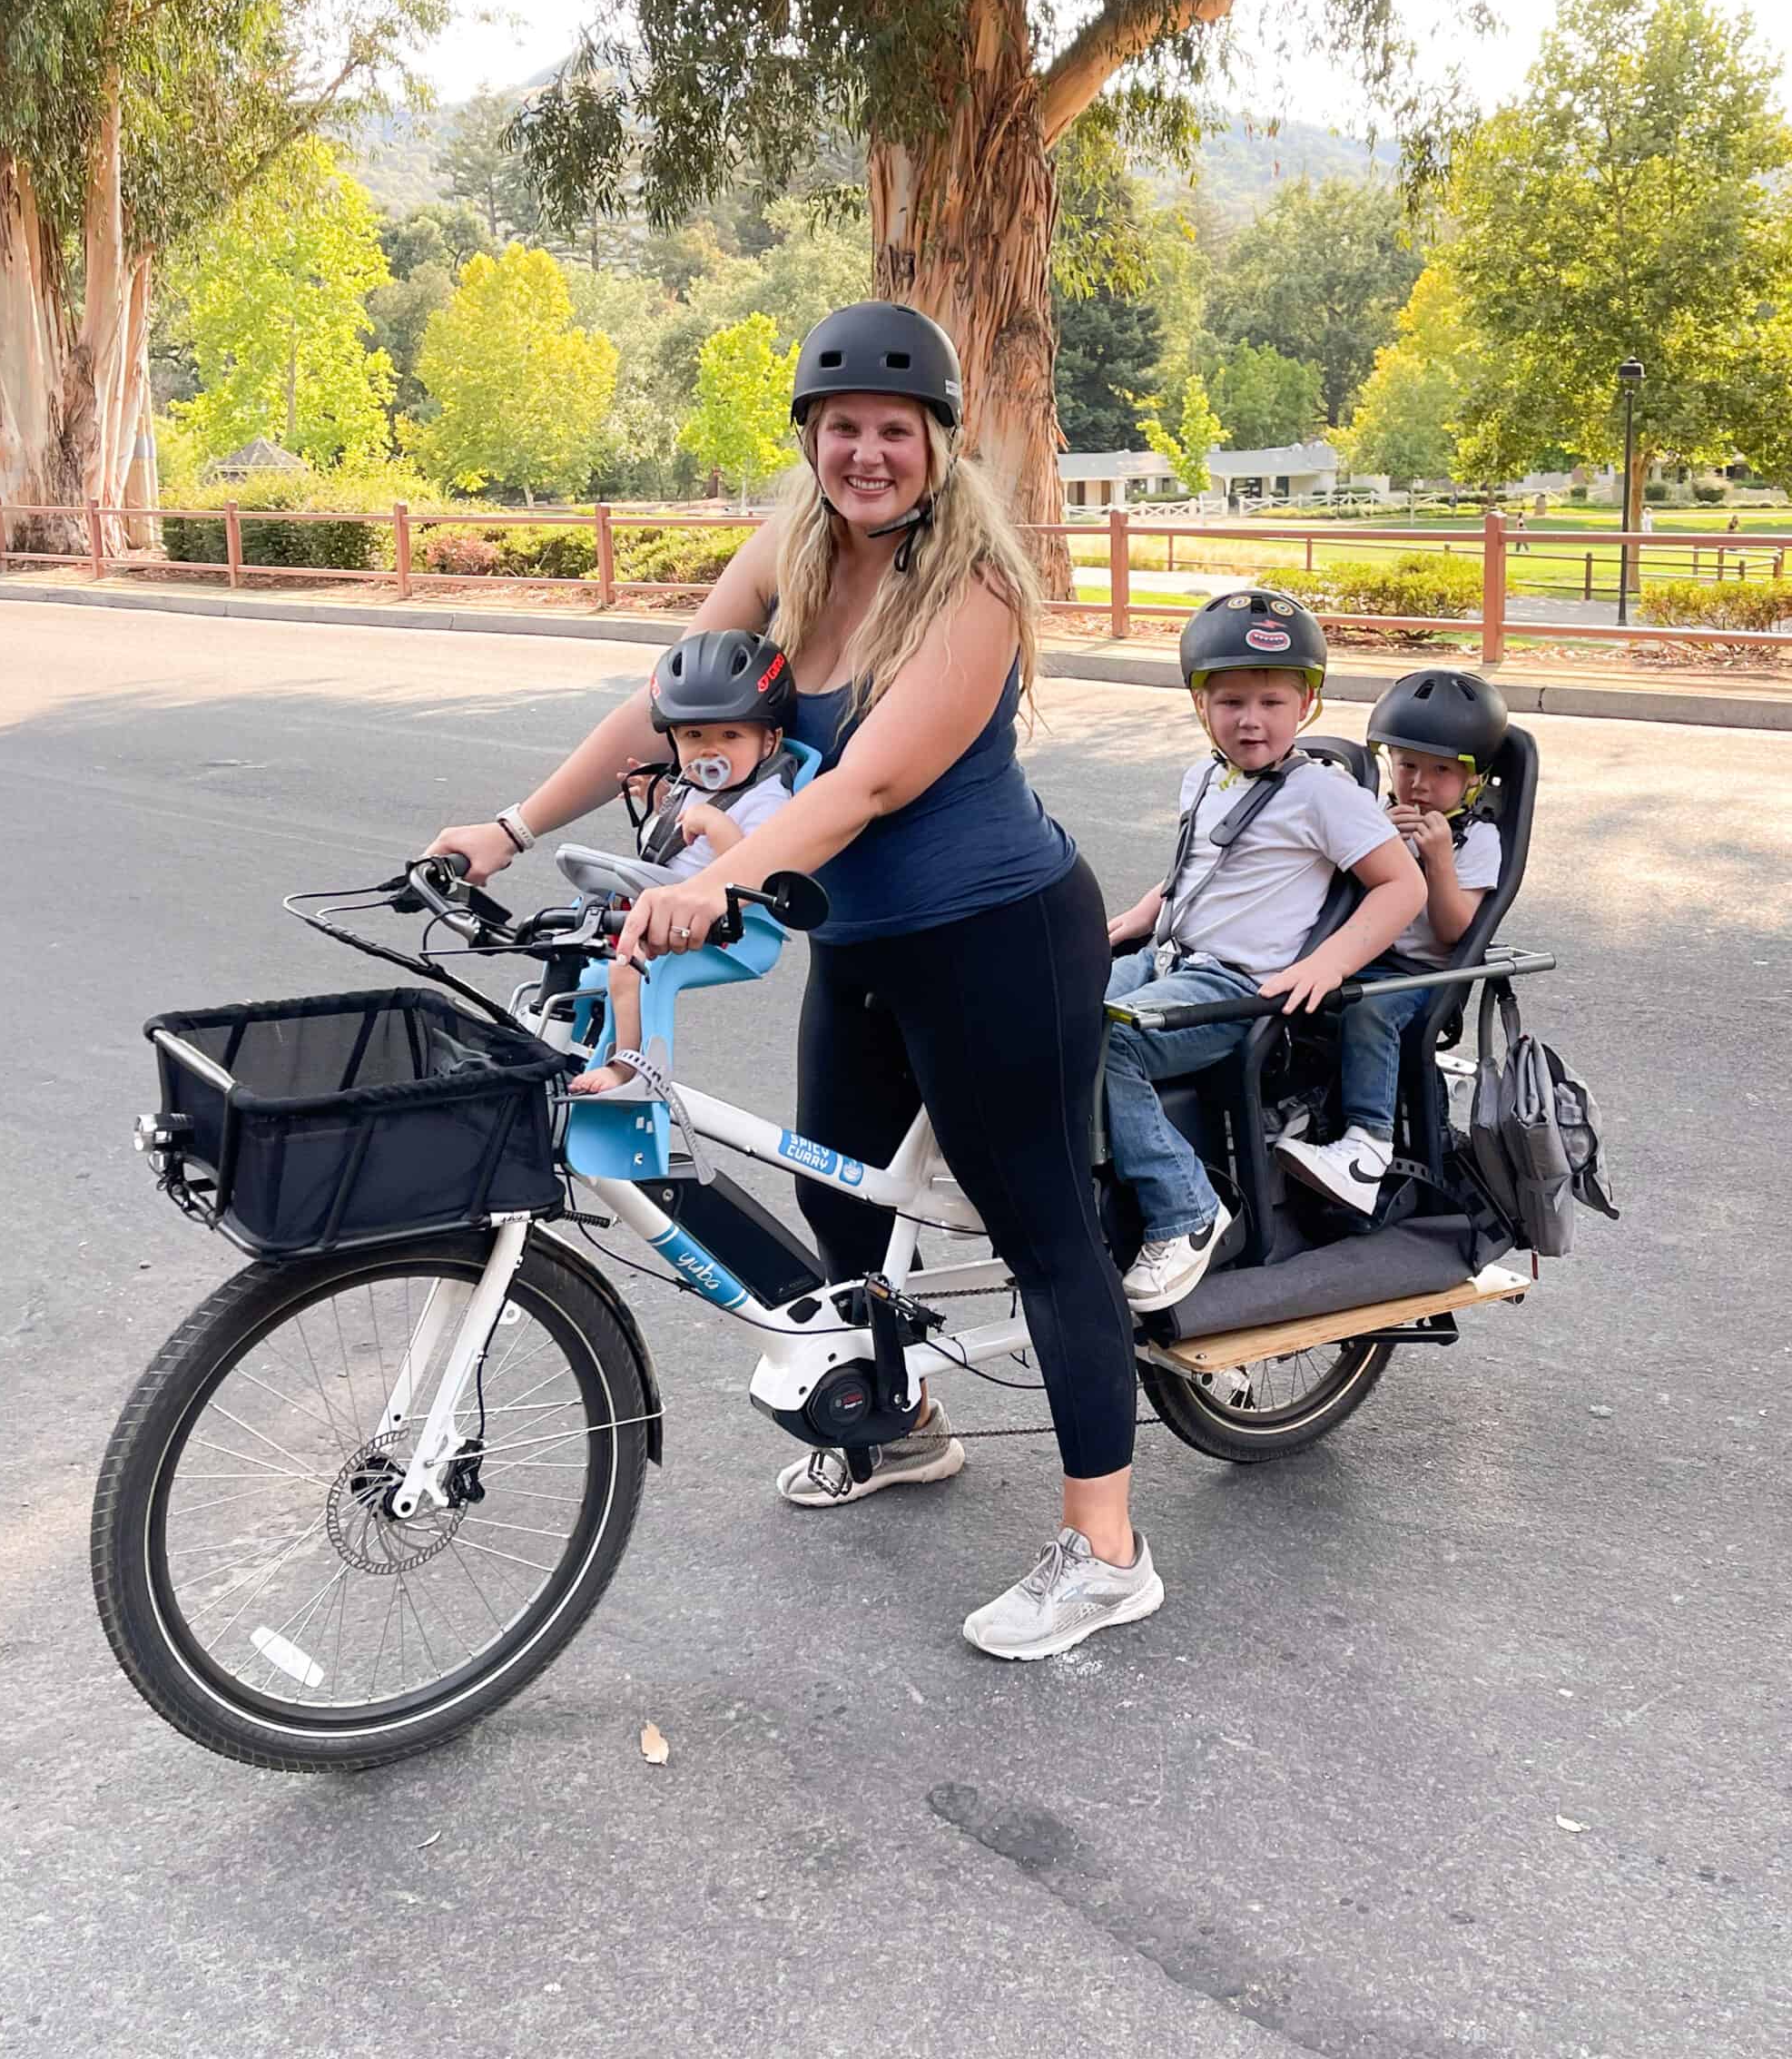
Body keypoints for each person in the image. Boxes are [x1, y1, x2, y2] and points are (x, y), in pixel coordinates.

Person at [428, 300, 1157, 1663]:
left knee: (1044, 1229)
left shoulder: (976, 589)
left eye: (894, 430)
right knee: (839, 1194)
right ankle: (905, 1431)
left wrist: (730, 869)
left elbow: (878, 773)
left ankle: (1107, 1550)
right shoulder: (794, 552)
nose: (866, 454)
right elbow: (668, 706)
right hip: (866, 940)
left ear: (939, 445)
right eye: (841, 430)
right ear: (810, 440)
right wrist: (510, 830)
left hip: (999, 934)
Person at [1101, 591, 1424, 1308]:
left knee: (1107, 1043)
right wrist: (1127, 921)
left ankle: (1186, 1212)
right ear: (1201, 705)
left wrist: (1326, 962)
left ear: (1307, 702)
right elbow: (1194, 872)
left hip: (1236, 988)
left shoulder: (1323, 795)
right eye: (1232, 701)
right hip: (1169, 960)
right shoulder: (1205, 778)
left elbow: (1401, 889)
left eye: (1273, 701)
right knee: (1043, 1009)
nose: (1252, 720)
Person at [1278, 670, 1508, 1212]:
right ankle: (1299, 1106)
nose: (1420, 784)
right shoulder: (1378, 819)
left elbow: (1455, 933)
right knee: (1295, 990)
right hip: (1365, 954)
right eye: (1406, 765)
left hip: (1421, 976)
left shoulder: (1477, 839)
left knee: (1368, 1013)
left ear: (1474, 779)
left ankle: (1368, 1146)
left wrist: (1438, 861)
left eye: (1440, 771)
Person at [569, 629, 799, 1096]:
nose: (709, 751)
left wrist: (714, 823)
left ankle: (631, 1068)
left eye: (731, 736)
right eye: (694, 736)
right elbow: (681, 845)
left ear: (770, 742)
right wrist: (660, 805)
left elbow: (754, 866)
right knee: (576, 954)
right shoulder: (693, 786)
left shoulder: (765, 797)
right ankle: (569, 1050)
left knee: (629, 968)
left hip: (736, 928)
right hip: (666, 909)